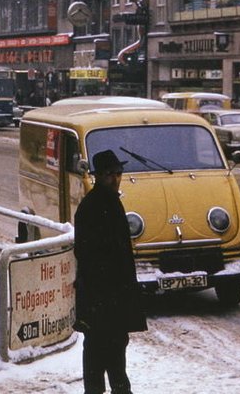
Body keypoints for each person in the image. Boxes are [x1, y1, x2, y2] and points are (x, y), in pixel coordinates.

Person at [73, 149, 146, 394]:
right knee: (97, 350)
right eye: (109, 175)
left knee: (115, 349)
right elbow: (86, 254)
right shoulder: (91, 207)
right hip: (100, 297)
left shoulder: (112, 201)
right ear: (98, 176)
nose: (115, 179)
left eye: (118, 174)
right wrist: (102, 293)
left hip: (115, 295)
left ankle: (119, 389)